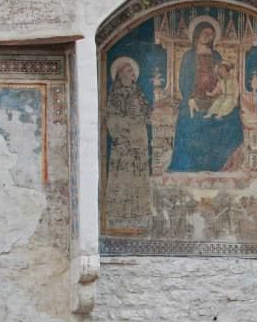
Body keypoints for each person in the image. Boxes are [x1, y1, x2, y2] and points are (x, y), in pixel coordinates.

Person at [169, 21, 243, 172]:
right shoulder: (189, 55)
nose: (208, 37)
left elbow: (223, 77)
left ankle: (217, 163)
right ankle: (189, 165)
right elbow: (184, 79)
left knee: (231, 117)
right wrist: (189, 98)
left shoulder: (216, 55)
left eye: (211, 34)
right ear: (197, 34)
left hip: (214, 98)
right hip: (193, 99)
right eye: (205, 33)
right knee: (189, 121)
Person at [104, 56, 151, 227]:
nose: (131, 74)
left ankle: (140, 212)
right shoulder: (115, 95)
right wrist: (127, 121)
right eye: (128, 71)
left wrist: (140, 112)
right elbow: (111, 118)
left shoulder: (138, 92)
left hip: (139, 140)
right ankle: (120, 214)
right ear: (120, 75)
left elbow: (148, 114)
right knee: (124, 177)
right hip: (123, 143)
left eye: (132, 71)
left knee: (138, 176)